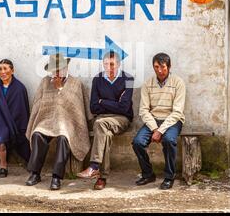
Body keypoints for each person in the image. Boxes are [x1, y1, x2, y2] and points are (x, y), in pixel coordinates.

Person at [25, 53, 92, 190]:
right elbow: (38, 104)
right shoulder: (45, 82)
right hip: (47, 121)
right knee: (37, 134)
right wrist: (35, 122)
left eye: (60, 68)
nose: (57, 72)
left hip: (68, 123)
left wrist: (60, 88)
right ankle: (35, 173)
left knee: (63, 137)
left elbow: (75, 107)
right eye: (54, 69)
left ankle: (56, 177)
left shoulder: (75, 83)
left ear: (66, 67)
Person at [77, 51, 134, 190]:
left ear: (119, 64)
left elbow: (124, 107)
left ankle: (94, 165)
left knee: (99, 124)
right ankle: (102, 178)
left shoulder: (128, 79)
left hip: (122, 120)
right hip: (102, 120)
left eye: (112, 64)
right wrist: (114, 103)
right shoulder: (97, 79)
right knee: (105, 134)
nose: (109, 67)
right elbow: (93, 107)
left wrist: (103, 101)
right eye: (106, 64)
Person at [132, 53, 186, 190]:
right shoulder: (147, 84)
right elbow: (143, 110)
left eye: (163, 67)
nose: (160, 71)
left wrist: (161, 130)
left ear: (169, 66)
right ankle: (148, 174)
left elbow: (177, 112)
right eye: (156, 67)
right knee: (137, 143)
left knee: (169, 141)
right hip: (153, 120)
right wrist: (155, 129)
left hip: (172, 120)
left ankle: (169, 177)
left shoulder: (178, 83)